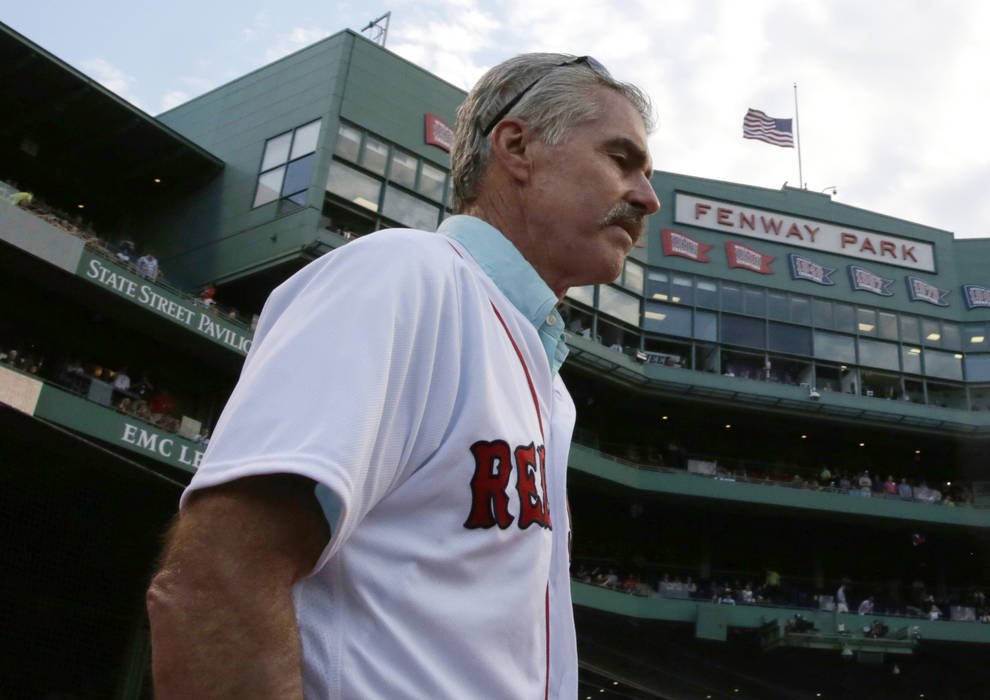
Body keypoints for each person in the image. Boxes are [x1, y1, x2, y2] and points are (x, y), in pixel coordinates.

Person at [147, 52, 659, 699]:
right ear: (517, 147)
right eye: (622, 160)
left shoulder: (543, 378)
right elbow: (218, 577)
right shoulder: (405, 276)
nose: (647, 197)